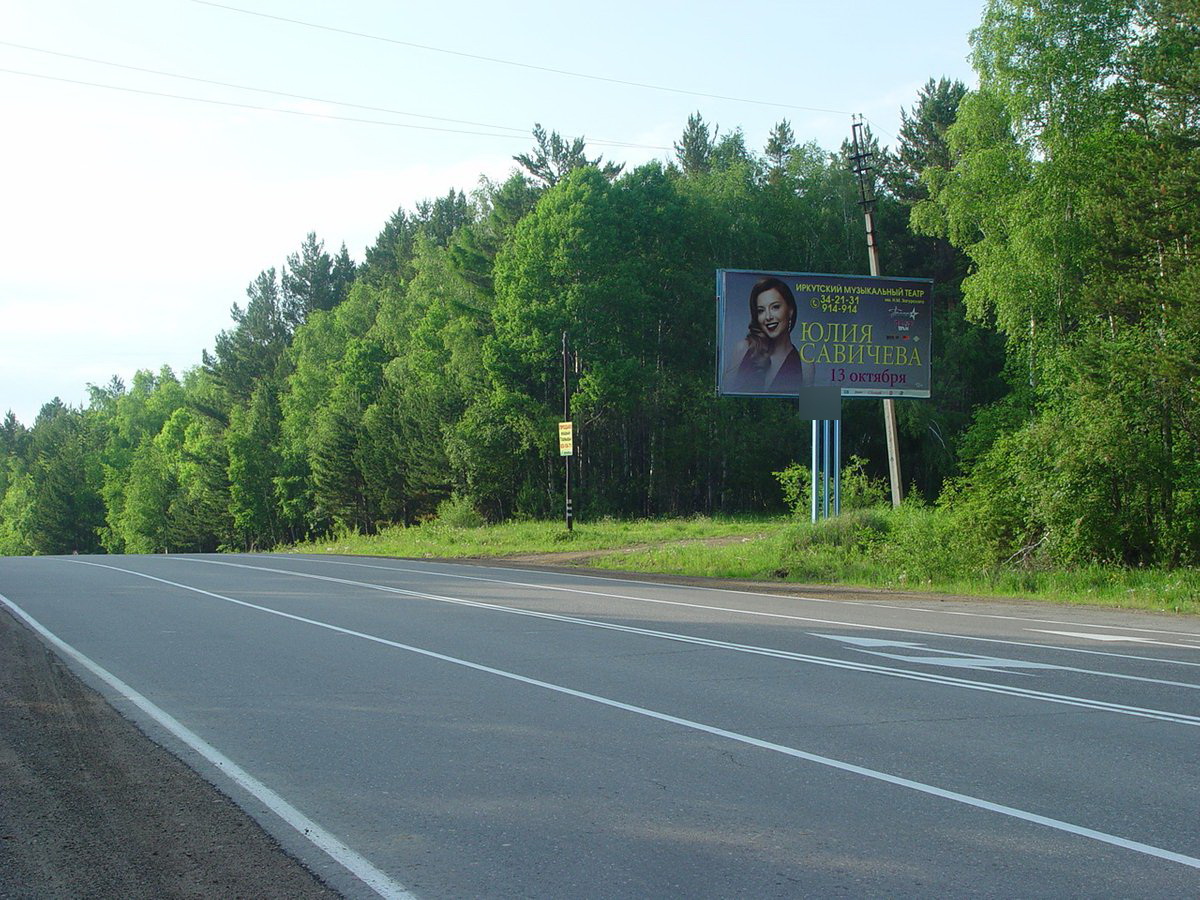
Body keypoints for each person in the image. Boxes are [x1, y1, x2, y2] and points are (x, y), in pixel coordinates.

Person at [726, 277, 812, 393]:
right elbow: (722, 401)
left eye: (775, 307)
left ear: (790, 310)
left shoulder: (806, 366)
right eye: (761, 310)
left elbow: (814, 411)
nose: (768, 317)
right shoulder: (743, 349)